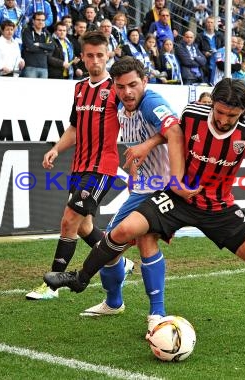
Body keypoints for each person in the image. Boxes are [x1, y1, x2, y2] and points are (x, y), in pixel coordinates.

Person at [44, 78, 245, 339]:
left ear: (242, 112)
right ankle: (81, 278)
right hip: (179, 198)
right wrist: (157, 156)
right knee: (126, 230)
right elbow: (172, 132)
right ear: (213, 105)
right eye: (220, 112)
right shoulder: (194, 113)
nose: (223, 120)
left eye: (231, 115)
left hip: (218, 206)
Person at [25, 30, 126, 301]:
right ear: (82, 57)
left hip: (102, 167)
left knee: (69, 220)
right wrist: (56, 149)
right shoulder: (80, 88)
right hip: (79, 166)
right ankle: (118, 260)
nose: (95, 60)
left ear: (108, 56)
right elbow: (75, 127)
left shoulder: (116, 89)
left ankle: (52, 284)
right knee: (83, 226)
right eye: (90, 55)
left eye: (100, 55)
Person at [78, 56, 180, 317]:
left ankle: (156, 313)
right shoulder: (121, 107)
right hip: (144, 187)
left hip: (166, 188)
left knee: (145, 240)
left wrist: (146, 146)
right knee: (109, 245)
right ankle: (114, 303)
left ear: (145, 81)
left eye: (133, 85)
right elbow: (134, 141)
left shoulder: (151, 102)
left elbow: (175, 130)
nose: (127, 92)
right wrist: (135, 167)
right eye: (121, 87)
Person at [21, 11, 54, 78]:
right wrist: (45, 49)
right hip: (30, 67)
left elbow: (52, 47)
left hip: (44, 67)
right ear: (33, 21)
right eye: (38, 20)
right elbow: (30, 47)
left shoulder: (46, 33)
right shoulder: (27, 31)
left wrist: (39, 44)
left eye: (43, 20)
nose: (41, 22)